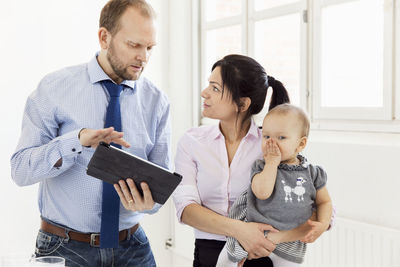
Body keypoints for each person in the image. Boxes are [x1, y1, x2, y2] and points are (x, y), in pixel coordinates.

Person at [10, 0, 170, 266]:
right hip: (64, 247)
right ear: (104, 37)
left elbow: (161, 182)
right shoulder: (54, 89)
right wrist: (76, 141)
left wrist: (148, 203)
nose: (144, 57)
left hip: (132, 247)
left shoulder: (157, 101)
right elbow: (21, 170)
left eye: (150, 47)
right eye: (134, 45)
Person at [173, 54, 325, 267]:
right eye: (209, 85)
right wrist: (240, 230)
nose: (204, 93)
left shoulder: (271, 145)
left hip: (262, 252)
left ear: (242, 104)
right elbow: (185, 208)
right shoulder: (191, 141)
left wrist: (322, 221)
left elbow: (310, 193)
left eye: (215, 88)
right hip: (209, 253)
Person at [216, 104, 333, 267]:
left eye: (281, 138)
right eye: (266, 137)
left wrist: (322, 224)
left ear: (300, 144)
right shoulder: (261, 166)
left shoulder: (313, 173)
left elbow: (324, 202)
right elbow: (261, 192)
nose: (272, 143)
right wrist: (271, 163)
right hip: (255, 234)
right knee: (224, 262)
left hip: (290, 243)